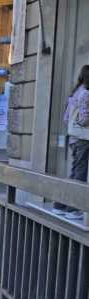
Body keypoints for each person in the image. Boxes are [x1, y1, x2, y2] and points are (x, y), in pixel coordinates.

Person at [53, 65, 89, 221]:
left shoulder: (76, 92)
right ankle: (73, 209)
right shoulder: (86, 93)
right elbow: (84, 118)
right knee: (79, 174)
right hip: (83, 139)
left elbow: (66, 118)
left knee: (74, 172)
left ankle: (60, 206)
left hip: (74, 138)